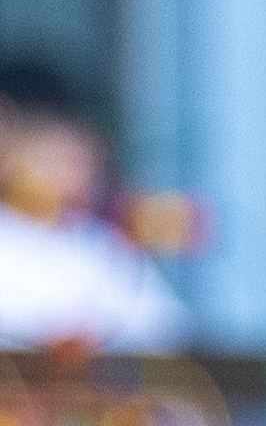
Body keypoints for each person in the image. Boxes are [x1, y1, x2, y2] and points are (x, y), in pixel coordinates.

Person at [0, 54, 191, 354]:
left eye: (75, 141)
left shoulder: (103, 246)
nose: (70, 157)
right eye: (45, 139)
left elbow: (171, 345)